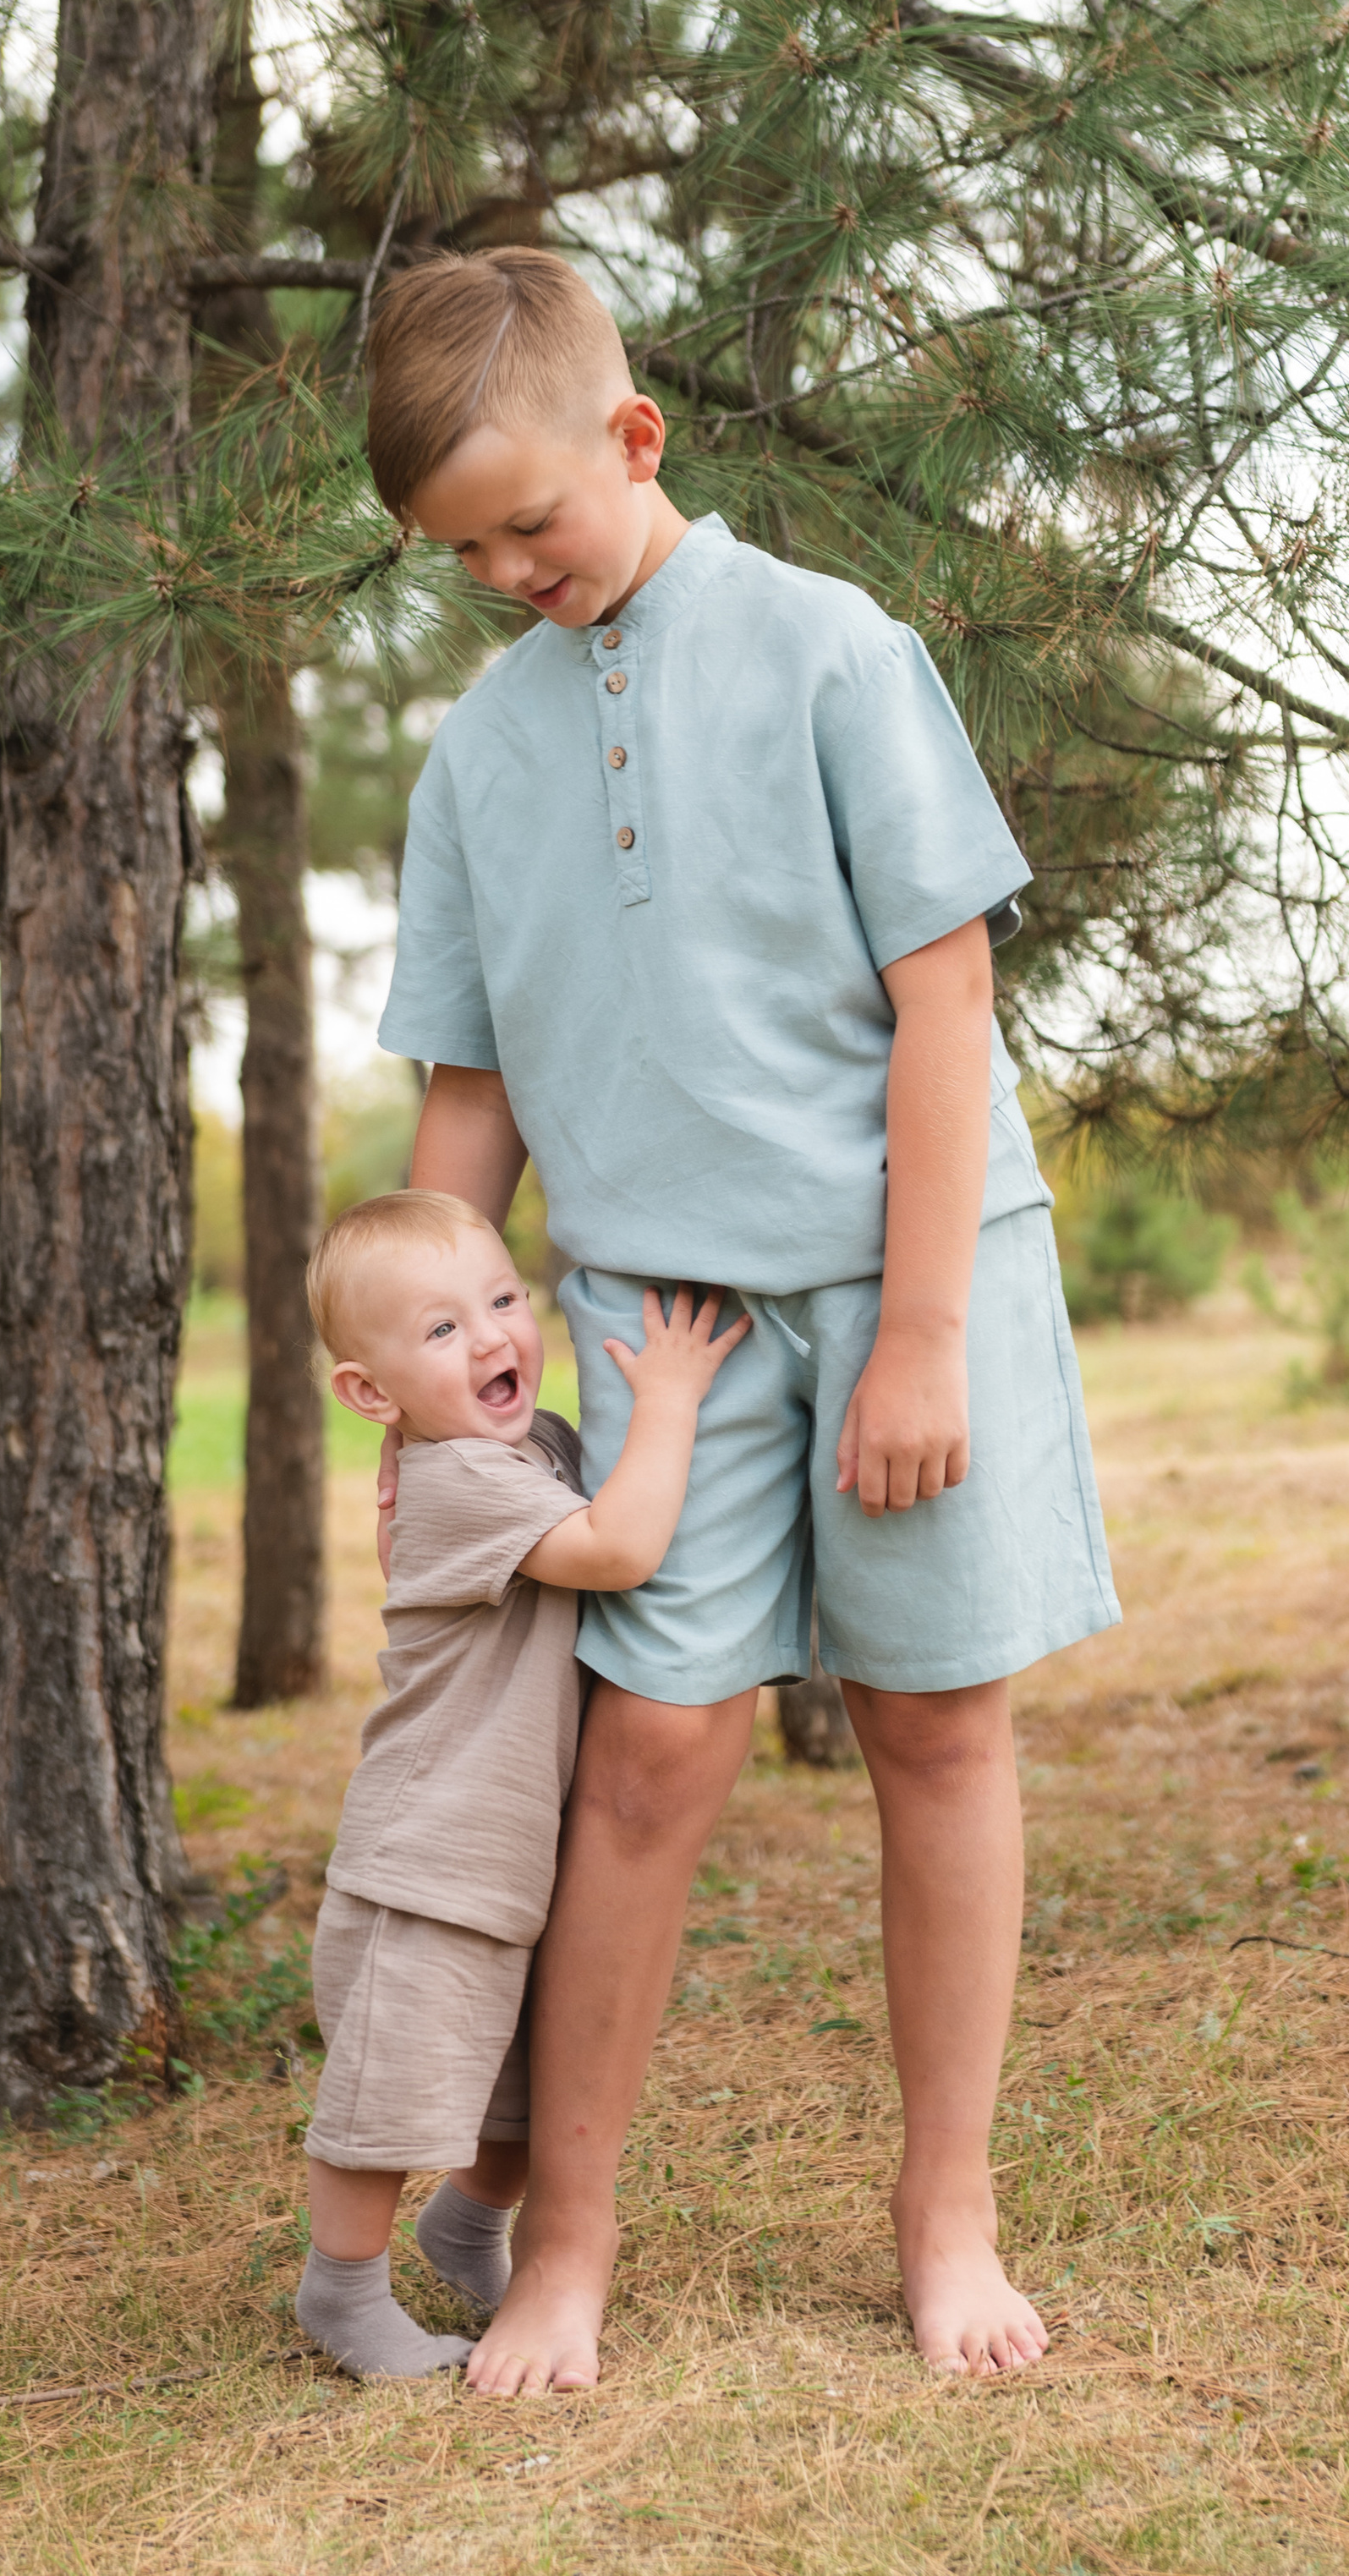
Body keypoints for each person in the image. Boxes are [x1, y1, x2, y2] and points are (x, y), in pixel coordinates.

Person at [368, 246, 1121, 2392]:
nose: (508, 570)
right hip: (644, 1329)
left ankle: (944, 2212)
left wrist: (911, 1334)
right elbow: (470, 1097)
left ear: (634, 438)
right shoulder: (473, 758)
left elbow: (942, 995)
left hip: (907, 1284)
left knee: (936, 1723)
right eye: (462, 551)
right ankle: (570, 2239)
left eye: (533, 521)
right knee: (649, 1756)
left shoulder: (829, 652)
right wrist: (450, 1382)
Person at [292, 1184, 746, 2380]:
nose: (494, 1335)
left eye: (502, 1298)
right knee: (391, 2100)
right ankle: (342, 2291)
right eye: (442, 1329)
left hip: (508, 1859)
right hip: (427, 1863)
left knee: (518, 2095)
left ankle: (467, 2224)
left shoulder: (517, 1444)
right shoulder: (458, 1480)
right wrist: (674, 1400)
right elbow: (620, 1546)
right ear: (370, 1392)